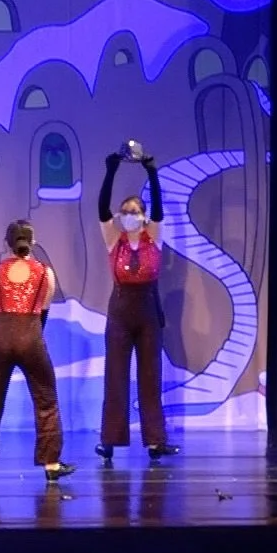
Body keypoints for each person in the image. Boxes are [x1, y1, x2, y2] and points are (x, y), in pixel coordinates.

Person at [0, 220, 74, 481]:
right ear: (32, 242)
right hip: (31, 336)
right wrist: (30, 334)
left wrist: (0, 335)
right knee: (46, 398)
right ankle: (51, 464)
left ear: (7, 244)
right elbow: (43, 311)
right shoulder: (45, 273)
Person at [95, 151, 180, 464]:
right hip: (119, 312)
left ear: (143, 216)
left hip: (147, 313)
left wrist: (152, 173)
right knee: (115, 376)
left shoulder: (153, 237)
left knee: (150, 376)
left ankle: (155, 441)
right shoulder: (113, 239)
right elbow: (101, 208)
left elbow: (158, 208)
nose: (129, 215)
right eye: (125, 211)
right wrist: (111, 170)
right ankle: (109, 440)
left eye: (134, 211)